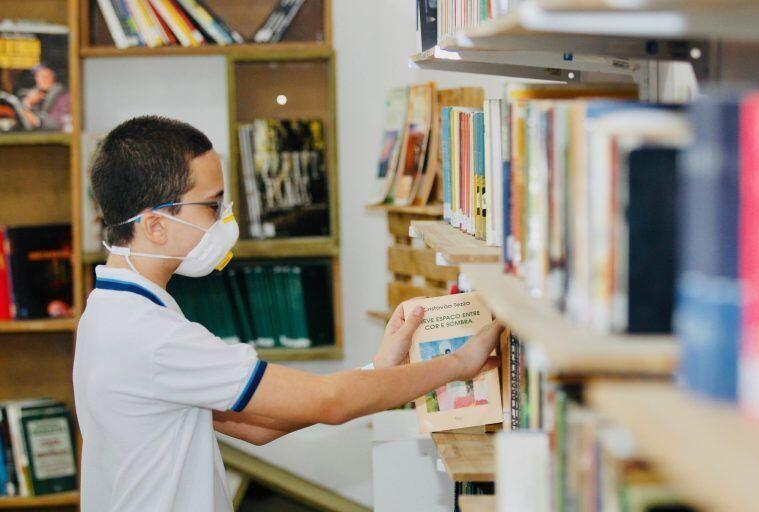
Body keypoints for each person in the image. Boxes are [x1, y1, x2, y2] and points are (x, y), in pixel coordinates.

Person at [73, 115, 502, 512]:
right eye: (212, 205)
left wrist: (380, 367)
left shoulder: (111, 312)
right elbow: (328, 402)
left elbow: (259, 427)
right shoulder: (152, 337)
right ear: (155, 225)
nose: (226, 220)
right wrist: (459, 363)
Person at [17, 63, 71, 131]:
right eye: (38, 76)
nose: (41, 80)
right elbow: (27, 125)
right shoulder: (35, 95)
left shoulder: (63, 96)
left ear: (53, 77)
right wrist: (29, 103)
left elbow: (60, 123)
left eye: (45, 76)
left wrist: (38, 120)